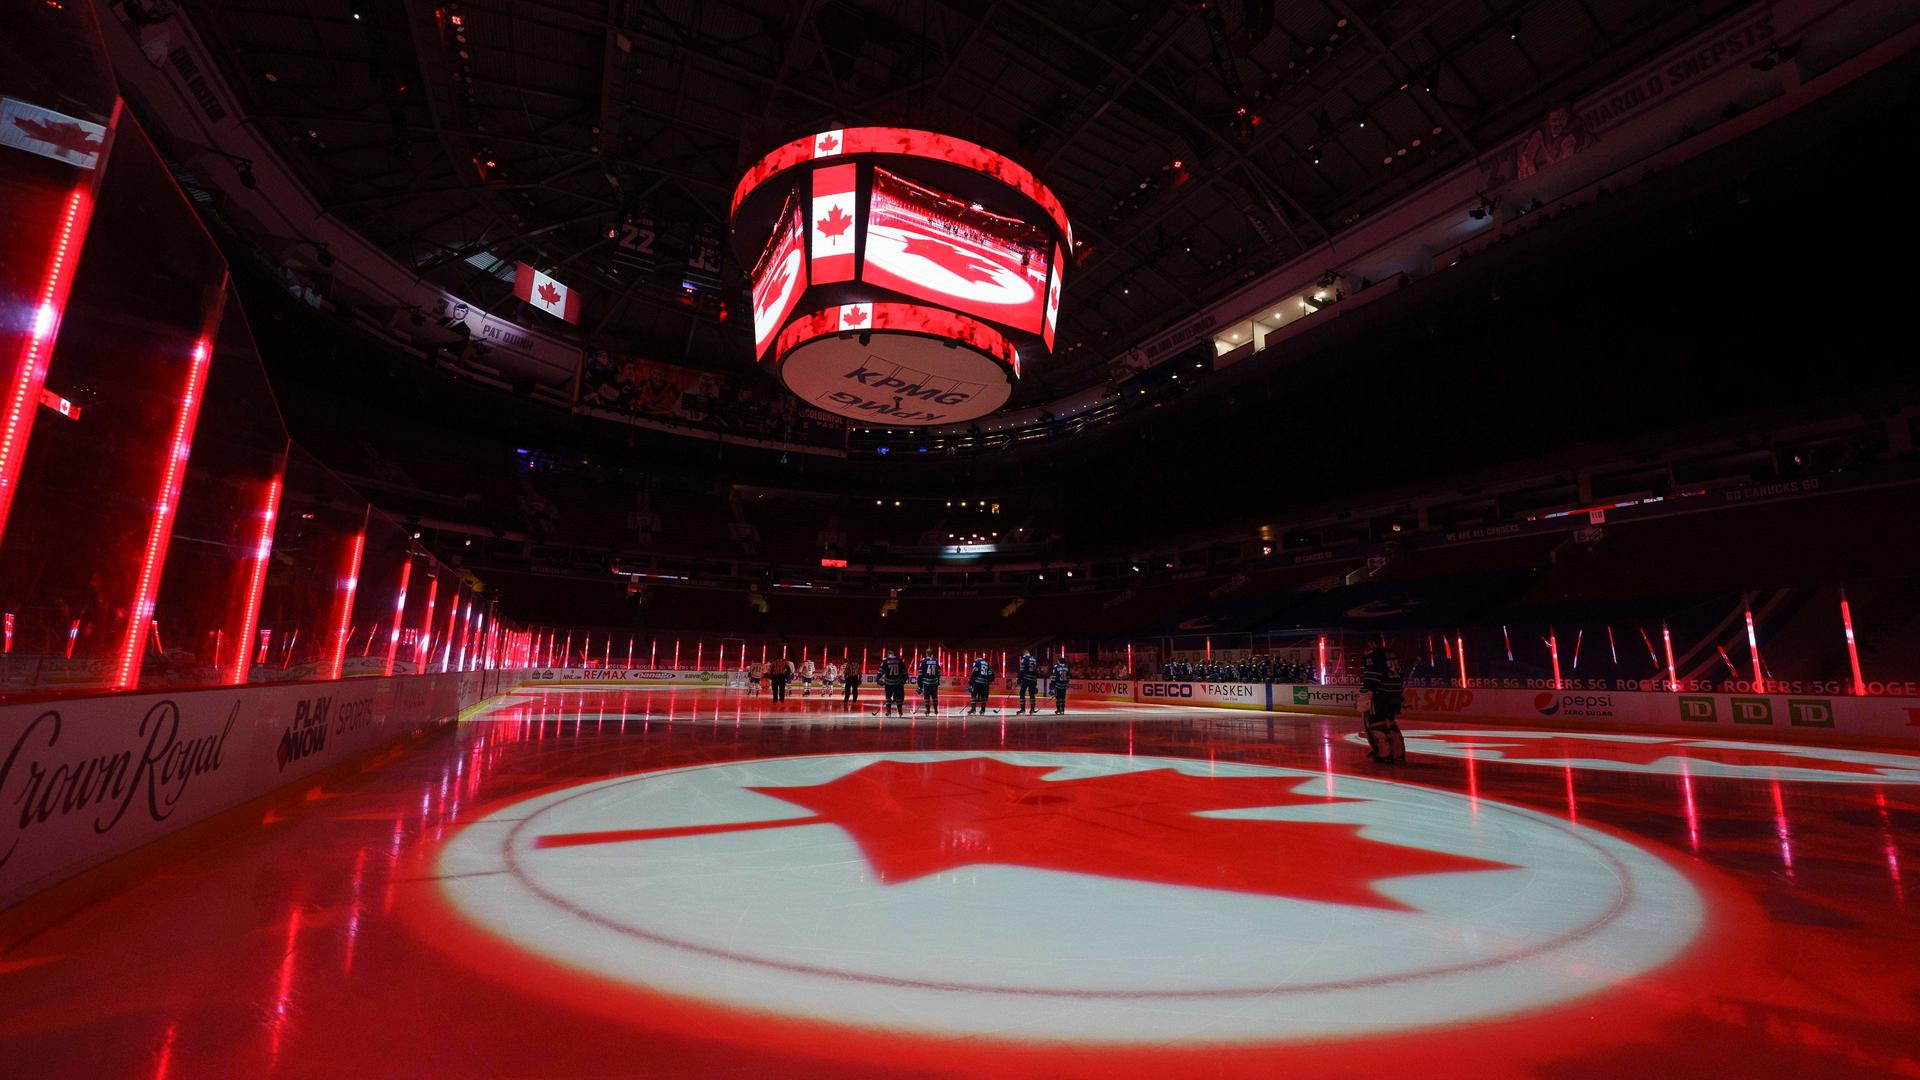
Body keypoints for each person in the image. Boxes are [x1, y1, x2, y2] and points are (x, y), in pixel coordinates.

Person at [1359, 636, 1407, 764]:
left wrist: (1366, 693)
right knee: (1391, 722)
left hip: (1381, 694)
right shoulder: (1392, 654)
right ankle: (1399, 753)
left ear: (1372, 642)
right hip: (1394, 693)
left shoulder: (1373, 656)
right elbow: (1400, 674)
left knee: (1377, 723)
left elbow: (1372, 678)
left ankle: (1384, 753)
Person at [878, 650, 907, 716]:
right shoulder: (899, 660)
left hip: (888, 683)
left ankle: (888, 711)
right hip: (897, 683)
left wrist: (878, 680)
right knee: (899, 697)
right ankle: (900, 711)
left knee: (888, 697)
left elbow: (880, 672)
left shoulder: (885, 661)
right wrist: (904, 680)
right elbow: (905, 673)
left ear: (888, 655)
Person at [1015, 650, 1041, 714]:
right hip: (1033, 679)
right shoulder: (1034, 659)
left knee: (1022, 693)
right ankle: (1032, 709)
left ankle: (1023, 709)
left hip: (1026, 678)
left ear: (1024, 654)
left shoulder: (1024, 658)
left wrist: (1019, 678)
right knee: (1032, 694)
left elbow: (1022, 669)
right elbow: (1037, 670)